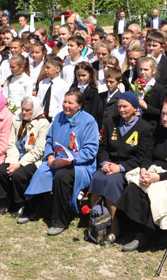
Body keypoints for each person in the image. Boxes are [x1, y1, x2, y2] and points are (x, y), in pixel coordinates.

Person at [115, 96, 167, 251]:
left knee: (158, 193)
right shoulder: (157, 130)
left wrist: (158, 177)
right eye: (163, 114)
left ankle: (160, 233)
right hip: (152, 170)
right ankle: (140, 234)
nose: (164, 118)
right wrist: (144, 170)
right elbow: (147, 154)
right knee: (132, 189)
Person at [23, 90, 100, 236]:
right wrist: (50, 156)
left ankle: (60, 221)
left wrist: (70, 160)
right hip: (57, 160)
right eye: (65, 101)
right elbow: (49, 140)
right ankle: (33, 211)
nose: (66, 105)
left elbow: (91, 150)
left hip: (80, 165)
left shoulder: (89, 121)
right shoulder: (59, 118)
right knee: (41, 172)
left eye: (70, 103)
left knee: (61, 177)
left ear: (79, 105)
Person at [87, 91, 154, 245]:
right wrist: (104, 163)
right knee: (97, 178)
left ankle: (115, 227)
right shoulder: (112, 122)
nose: (121, 110)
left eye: (125, 106)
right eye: (119, 106)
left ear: (134, 107)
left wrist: (120, 167)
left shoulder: (144, 128)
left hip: (127, 168)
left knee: (112, 183)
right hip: (109, 165)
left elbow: (141, 157)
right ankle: (98, 224)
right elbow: (103, 148)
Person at [0, 96, 49, 218]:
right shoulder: (17, 119)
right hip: (16, 157)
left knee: (18, 174)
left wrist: (20, 164)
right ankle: (9, 200)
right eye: (23, 109)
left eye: (28, 110)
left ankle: (22, 203)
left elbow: (39, 150)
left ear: (34, 109)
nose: (24, 112)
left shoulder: (43, 123)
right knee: (1, 170)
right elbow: (11, 143)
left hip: (33, 160)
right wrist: (13, 162)